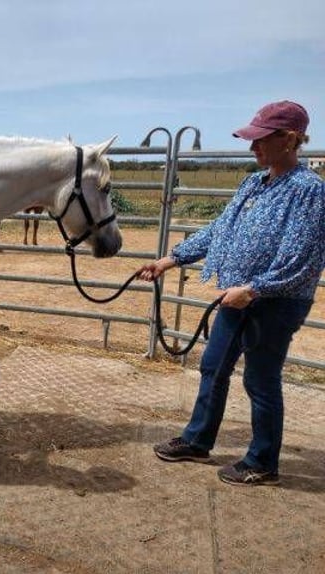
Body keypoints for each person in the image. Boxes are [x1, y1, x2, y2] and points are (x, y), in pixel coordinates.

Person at [138, 100, 325, 486]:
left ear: (289, 139)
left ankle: (262, 461)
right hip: (236, 297)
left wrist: (255, 290)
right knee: (213, 366)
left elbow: (302, 259)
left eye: (260, 140)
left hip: (275, 302)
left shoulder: (309, 192)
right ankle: (197, 440)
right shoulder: (253, 183)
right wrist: (171, 259)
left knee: (260, 379)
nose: (252, 148)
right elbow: (220, 231)